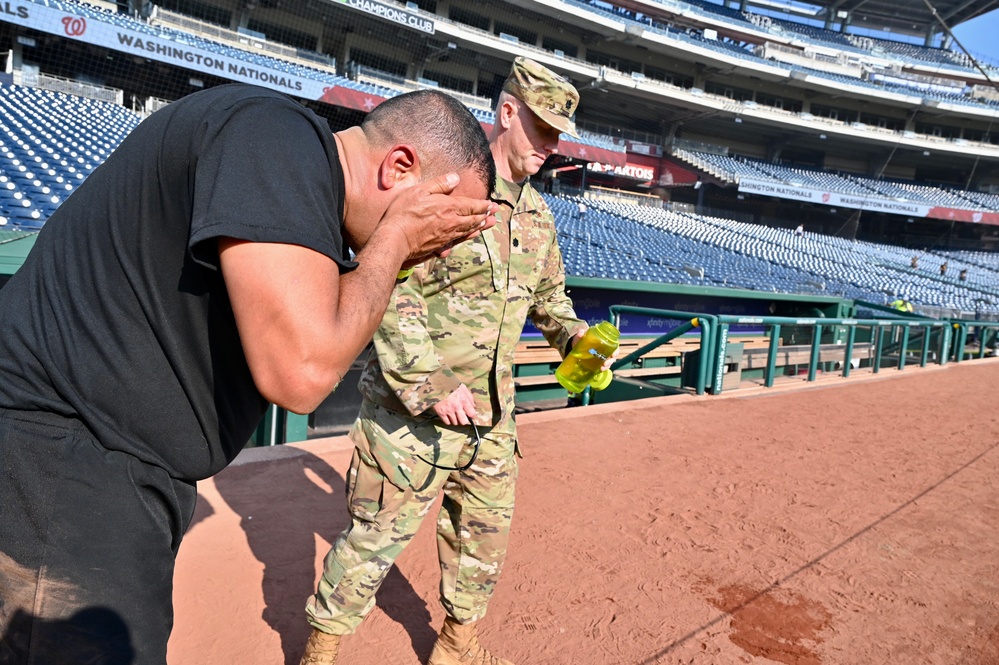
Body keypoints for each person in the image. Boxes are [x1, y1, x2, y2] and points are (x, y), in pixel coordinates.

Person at [0, 83, 498, 665]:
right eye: (444, 217)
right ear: (399, 167)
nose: (441, 246)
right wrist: (396, 236)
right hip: (60, 467)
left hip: (103, 470)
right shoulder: (275, 137)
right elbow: (303, 374)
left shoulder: (304, 190)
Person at [300, 57, 589, 665]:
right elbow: (387, 280)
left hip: (492, 415)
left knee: (482, 540)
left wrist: (575, 338)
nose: (550, 145)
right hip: (416, 416)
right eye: (541, 128)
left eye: (559, 134)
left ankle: (457, 645)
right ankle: (321, 653)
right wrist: (430, 382)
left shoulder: (538, 214)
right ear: (508, 112)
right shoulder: (448, 185)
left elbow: (548, 298)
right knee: (374, 541)